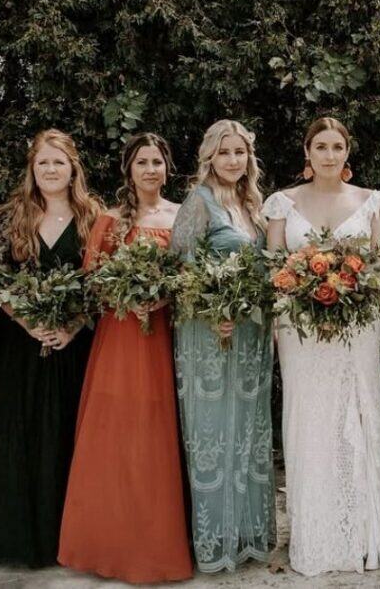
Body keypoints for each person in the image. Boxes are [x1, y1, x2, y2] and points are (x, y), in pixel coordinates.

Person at [262, 117, 380, 576]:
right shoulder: (281, 203)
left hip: (356, 326)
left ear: (347, 153)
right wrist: (296, 303)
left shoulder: (373, 202)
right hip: (300, 329)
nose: (329, 155)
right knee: (310, 421)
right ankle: (318, 532)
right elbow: (275, 270)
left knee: (355, 416)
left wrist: (355, 297)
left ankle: (362, 530)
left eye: (337, 146)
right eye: (321, 146)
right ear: (307, 152)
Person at [57, 133, 193, 583]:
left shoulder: (183, 216)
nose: (151, 170)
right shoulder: (110, 220)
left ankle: (155, 545)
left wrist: (162, 297)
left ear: (167, 168)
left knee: (158, 432)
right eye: (142, 162)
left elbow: (193, 274)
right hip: (120, 337)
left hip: (167, 335)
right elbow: (91, 282)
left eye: (157, 162)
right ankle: (105, 542)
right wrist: (125, 295)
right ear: (128, 170)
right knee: (116, 432)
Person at [0, 129, 102, 567]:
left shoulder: (94, 217)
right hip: (23, 347)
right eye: (42, 163)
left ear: (73, 168)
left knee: (71, 435)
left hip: (76, 347)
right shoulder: (13, 216)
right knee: (26, 434)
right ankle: (28, 540)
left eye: (58, 162)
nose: (51, 170)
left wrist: (72, 326)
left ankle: (71, 540)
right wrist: (30, 323)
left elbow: (103, 281)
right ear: (32, 169)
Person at [170, 119, 275, 572]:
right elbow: (180, 269)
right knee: (212, 434)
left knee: (248, 430)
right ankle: (214, 540)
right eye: (225, 152)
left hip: (252, 332)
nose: (233, 160)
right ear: (209, 156)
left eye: (240, 152)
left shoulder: (254, 205)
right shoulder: (198, 202)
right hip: (210, 333)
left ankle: (247, 534)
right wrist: (214, 312)